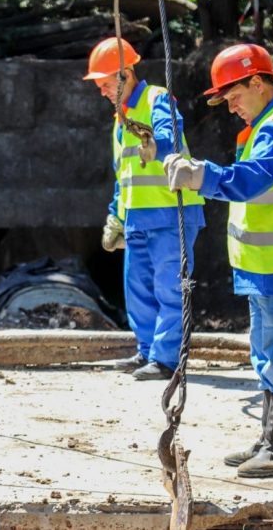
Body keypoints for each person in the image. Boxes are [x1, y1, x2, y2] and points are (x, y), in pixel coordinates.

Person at [163, 44, 273, 478]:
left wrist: (200, 175)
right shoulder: (269, 125)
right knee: (268, 354)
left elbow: (251, 181)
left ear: (257, 83)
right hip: (272, 271)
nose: (231, 107)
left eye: (234, 96)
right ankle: (269, 440)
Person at [83, 37, 205, 381]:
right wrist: (116, 215)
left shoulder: (157, 99)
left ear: (125, 74)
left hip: (170, 214)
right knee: (137, 288)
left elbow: (169, 135)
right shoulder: (121, 120)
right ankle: (148, 350)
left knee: (169, 287)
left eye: (105, 83)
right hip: (138, 218)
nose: (102, 91)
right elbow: (123, 176)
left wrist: (156, 144)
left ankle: (167, 360)